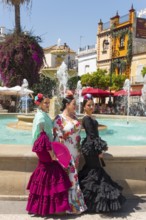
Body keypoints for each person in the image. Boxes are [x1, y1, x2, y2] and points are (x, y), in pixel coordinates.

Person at [78, 93, 126, 213]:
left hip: (91, 146)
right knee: (95, 171)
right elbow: (93, 136)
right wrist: (99, 150)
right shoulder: (86, 119)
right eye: (88, 105)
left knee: (92, 170)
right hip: (91, 148)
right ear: (84, 107)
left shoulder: (90, 118)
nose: (91, 107)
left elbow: (95, 136)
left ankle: (87, 200)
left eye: (92, 105)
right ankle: (90, 201)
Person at [26, 93, 72, 217]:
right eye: (45, 103)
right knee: (52, 173)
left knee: (43, 173)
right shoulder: (41, 117)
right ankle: (53, 206)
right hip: (45, 148)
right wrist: (51, 153)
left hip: (44, 147)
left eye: (48, 103)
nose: (47, 105)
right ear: (39, 103)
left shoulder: (42, 114)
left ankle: (39, 206)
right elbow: (42, 136)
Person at [53, 91, 87, 214]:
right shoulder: (59, 119)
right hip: (65, 154)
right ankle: (66, 207)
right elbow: (57, 138)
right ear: (67, 104)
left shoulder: (75, 118)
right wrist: (62, 157)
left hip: (76, 153)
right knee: (69, 180)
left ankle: (72, 205)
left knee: (73, 179)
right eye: (73, 104)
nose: (75, 106)